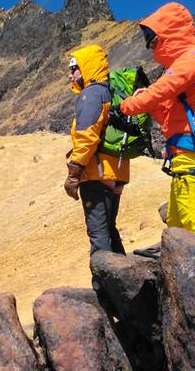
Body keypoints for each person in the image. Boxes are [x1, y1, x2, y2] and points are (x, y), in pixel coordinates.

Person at [119, 2, 195, 243]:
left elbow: (159, 92)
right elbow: (168, 115)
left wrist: (125, 107)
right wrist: (148, 101)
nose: (151, 47)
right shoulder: (188, 63)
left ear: (170, 33)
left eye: (153, 40)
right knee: (177, 225)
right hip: (184, 155)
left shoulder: (192, 61)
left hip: (193, 155)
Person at [64, 44, 130, 292]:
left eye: (74, 69)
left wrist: (74, 171)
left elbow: (86, 136)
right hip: (116, 173)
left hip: (96, 174)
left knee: (99, 235)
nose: (70, 75)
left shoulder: (91, 94)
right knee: (109, 231)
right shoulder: (111, 92)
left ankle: (106, 292)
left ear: (87, 68)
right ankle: (127, 284)